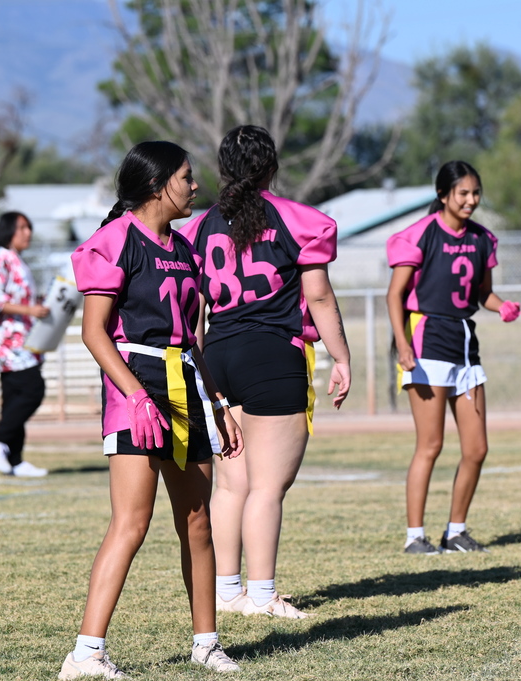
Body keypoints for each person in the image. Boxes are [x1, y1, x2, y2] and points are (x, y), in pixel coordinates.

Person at [60, 141, 243, 679]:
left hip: (186, 384)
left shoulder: (184, 249)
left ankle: (206, 644)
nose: (195, 186)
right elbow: (95, 333)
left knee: (198, 522)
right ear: (158, 183)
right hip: (134, 388)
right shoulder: (114, 241)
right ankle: (86, 654)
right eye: (187, 177)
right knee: (132, 523)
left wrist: (218, 403)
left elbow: (194, 338)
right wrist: (137, 396)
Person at [180, 125, 351, 619]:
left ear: (223, 170)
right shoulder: (299, 220)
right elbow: (317, 296)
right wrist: (341, 357)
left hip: (218, 355)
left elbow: (191, 309)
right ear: (271, 166)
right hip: (272, 354)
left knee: (232, 486)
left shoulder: (198, 226)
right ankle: (261, 594)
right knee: (267, 487)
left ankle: (229, 591)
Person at [386, 160, 521, 555]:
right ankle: (415, 537)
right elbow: (395, 295)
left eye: (476, 193)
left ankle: (456, 531)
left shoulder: (483, 239)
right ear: (443, 195)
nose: (471, 200)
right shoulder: (420, 235)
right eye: (462, 193)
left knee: (477, 448)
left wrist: (502, 307)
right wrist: (403, 344)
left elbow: (482, 294)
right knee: (430, 444)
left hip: (466, 345)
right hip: (429, 344)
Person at [0, 211, 50, 477]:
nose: (27, 232)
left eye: (29, 227)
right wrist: (32, 311)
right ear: (8, 230)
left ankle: (15, 460)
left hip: (23, 339)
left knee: (13, 399)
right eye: (22, 227)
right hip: (7, 341)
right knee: (33, 390)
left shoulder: (16, 260)